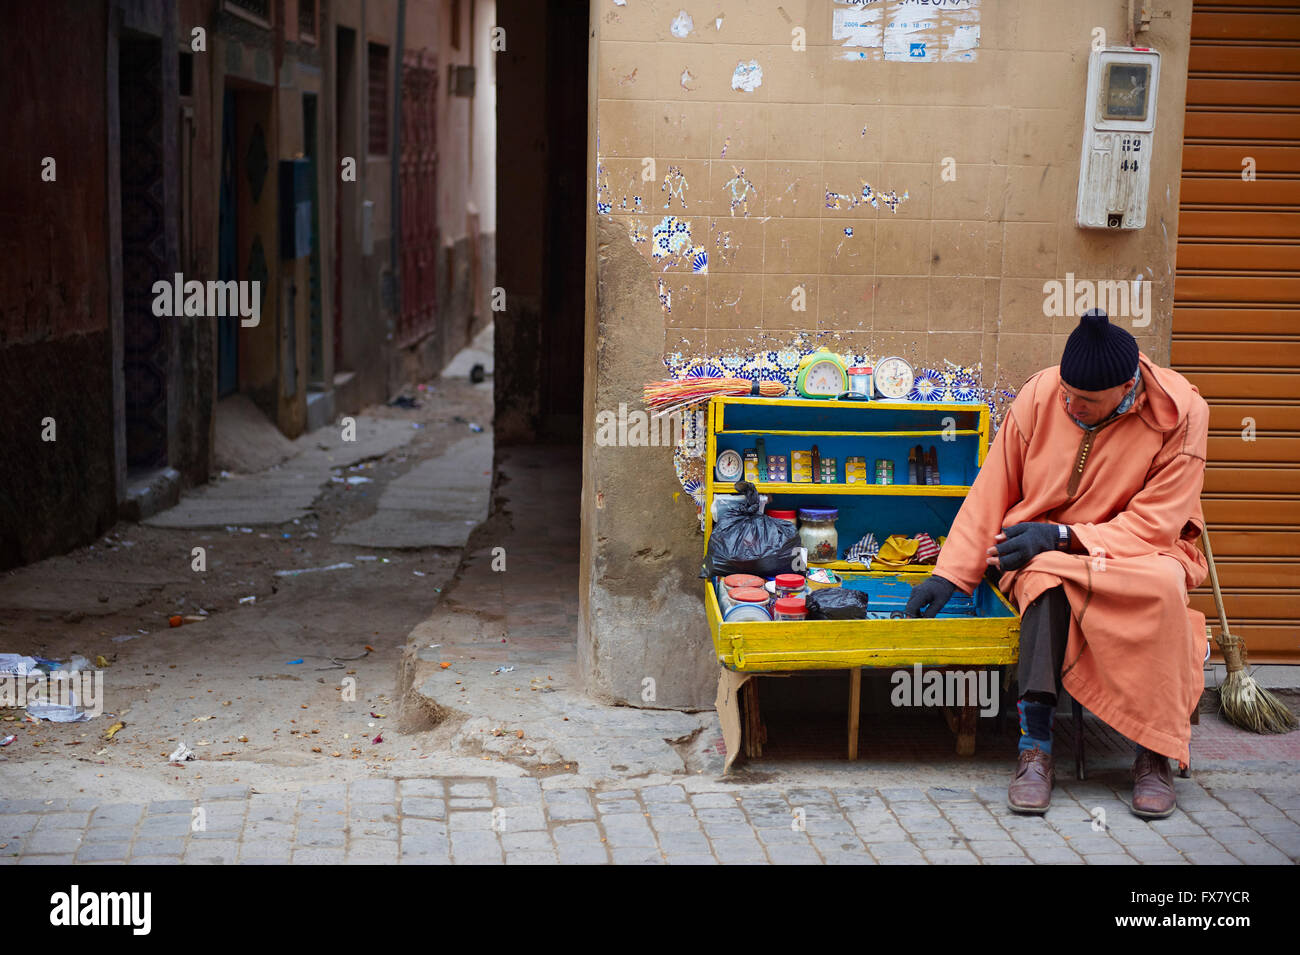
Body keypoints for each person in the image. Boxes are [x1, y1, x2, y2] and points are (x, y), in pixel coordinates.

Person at [905, 309, 1210, 818]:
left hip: (1139, 551)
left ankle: (1154, 753)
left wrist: (1067, 536)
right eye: (1068, 393)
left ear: (1127, 388)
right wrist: (950, 572)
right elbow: (994, 487)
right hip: (1039, 547)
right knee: (1044, 581)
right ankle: (1035, 747)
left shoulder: (1184, 415)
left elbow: (1158, 523)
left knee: (1164, 587)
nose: (1071, 405)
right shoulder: (1041, 394)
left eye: (1086, 400)